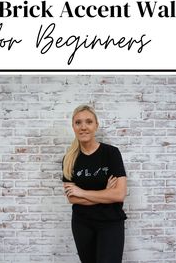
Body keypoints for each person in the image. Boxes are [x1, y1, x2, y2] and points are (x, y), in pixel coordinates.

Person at [62, 105, 127, 263]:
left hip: (110, 223)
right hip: (82, 224)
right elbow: (72, 198)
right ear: (73, 127)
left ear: (96, 125)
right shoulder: (69, 159)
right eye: (78, 123)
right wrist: (105, 193)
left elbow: (119, 194)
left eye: (88, 122)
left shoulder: (111, 153)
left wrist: (82, 192)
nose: (83, 127)